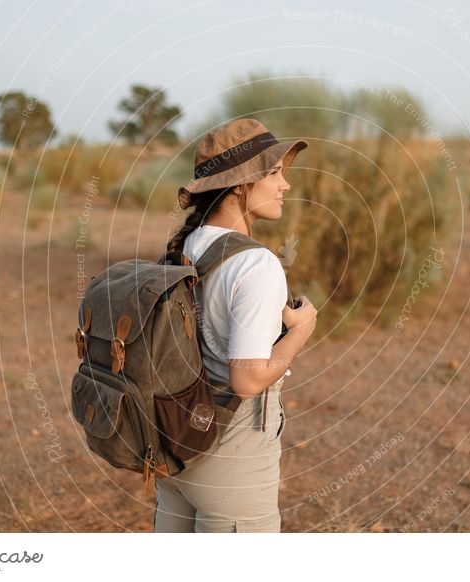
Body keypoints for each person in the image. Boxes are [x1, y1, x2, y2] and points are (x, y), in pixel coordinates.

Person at [154, 118, 317, 532]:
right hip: (231, 461)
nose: (286, 185)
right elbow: (246, 381)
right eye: (275, 173)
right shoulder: (255, 263)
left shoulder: (184, 246)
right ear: (242, 183)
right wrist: (301, 330)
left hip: (175, 449)